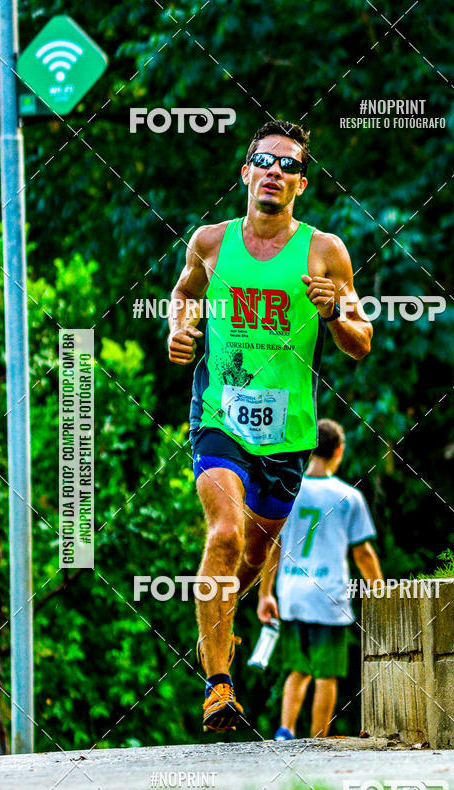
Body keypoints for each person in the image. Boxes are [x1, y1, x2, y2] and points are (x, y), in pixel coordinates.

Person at [167, 121, 373, 732]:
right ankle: (218, 684)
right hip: (220, 417)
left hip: (288, 434)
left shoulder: (325, 252)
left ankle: (220, 634)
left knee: (255, 553)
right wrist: (178, 329)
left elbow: (361, 342)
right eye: (264, 161)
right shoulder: (209, 243)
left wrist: (333, 312)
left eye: (289, 166)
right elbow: (183, 295)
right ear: (245, 173)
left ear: (301, 184)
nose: (274, 172)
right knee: (225, 534)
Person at [257, 418, 383, 740]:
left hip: (292, 593)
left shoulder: (289, 491)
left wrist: (265, 594)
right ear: (339, 451)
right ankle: (318, 739)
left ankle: (285, 731)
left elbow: (274, 548)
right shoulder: (348, 497)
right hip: (329, 597)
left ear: (311, 448)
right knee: (327, 675)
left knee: (297, 669)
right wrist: (379, 590)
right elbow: (363, 554)